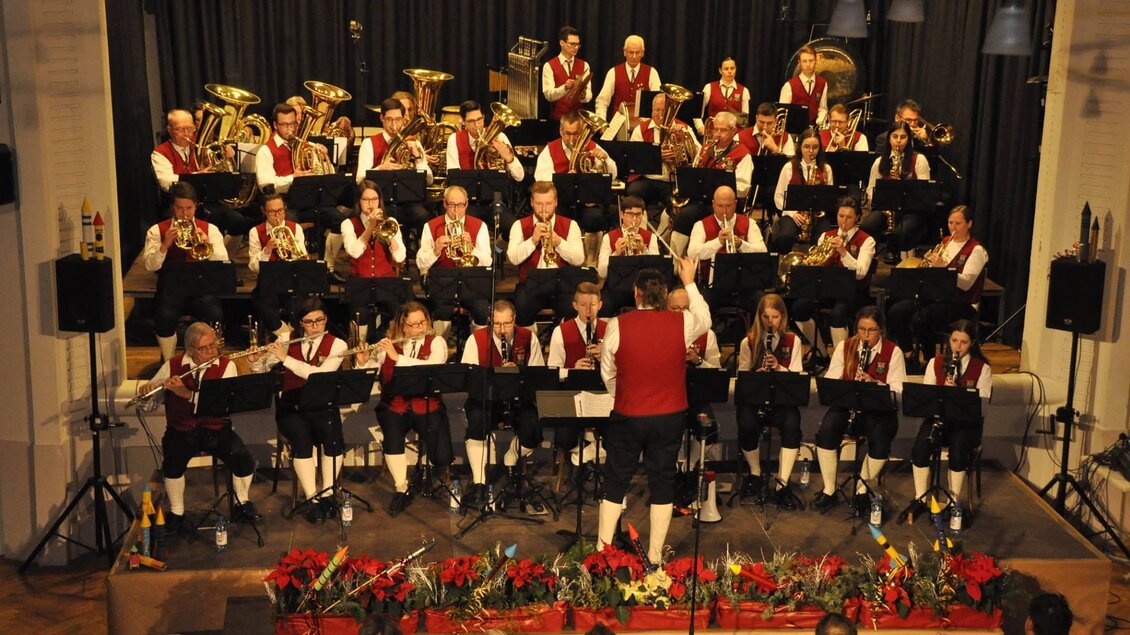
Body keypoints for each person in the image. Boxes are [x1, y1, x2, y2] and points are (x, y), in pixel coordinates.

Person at [597, 258, 710, 564]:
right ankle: (656, 557)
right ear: (663, 294)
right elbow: (705, 318)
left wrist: (624, 395)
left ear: (636, 293)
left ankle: (603, 556)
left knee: (616, 482)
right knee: (662, 482)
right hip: (669, 416)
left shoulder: (618, 324)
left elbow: (608, 371)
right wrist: (689, 281)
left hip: (629, 414)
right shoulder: (681, 322)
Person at [137, 322, 260, 532]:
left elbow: (219, 403)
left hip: (215, 427)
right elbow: (152, 404)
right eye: (204, 348)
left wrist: (185, 393)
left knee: (243, 459)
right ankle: (177, 512)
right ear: (190, 350)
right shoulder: (172, 365)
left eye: (214, 345)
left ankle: (242, 502)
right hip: (182, 429)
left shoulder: (226, 366)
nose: (211, 351)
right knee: (172, 463)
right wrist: (146, 394)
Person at [354, 301, 450, 518]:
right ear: (403, 326)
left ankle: (429, 470)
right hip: (395, 405)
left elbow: (434, 366)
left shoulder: (437, 342)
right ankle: (401, 488)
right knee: (392, 434)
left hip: (426, 405)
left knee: (441, 454)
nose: (420, 328)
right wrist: (363, 362)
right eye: (413, 324)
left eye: (422, 322)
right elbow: (370, 373)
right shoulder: (389, 346)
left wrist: (397, 358)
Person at [260, 298, 348, 523]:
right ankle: (312, 499)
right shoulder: (285, 340)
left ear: (326, 319)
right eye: (309, 322)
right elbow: (263, 368)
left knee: (332, 436)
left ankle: (327, 494)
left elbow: (318, 376)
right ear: (300, 322)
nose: (315, 326)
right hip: (292, 406)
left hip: (322, 405)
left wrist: (285, 359)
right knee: (301, 438)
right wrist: (255, 361)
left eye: (320, 320)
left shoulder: (338, 345)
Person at [812, 306, 906, 514]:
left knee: (880, 438)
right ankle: (829, 489)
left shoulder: (893, 352)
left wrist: (874, 383)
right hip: (848, 406)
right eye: (861, 329)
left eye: (871, 330)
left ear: (881, 330)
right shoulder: (845, 346)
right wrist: (848, 385)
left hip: (879, 410)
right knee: (826, 430)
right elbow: (831, 379)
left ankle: (862, 489)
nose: (865, 335)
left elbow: (899, 390)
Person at [459, 299, 547, 513]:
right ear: (490, 321)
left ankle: (511, 457)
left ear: (514, 320)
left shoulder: (528, 337)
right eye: (497, 324)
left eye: (506, 324)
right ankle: (479, 482)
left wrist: (518, 373)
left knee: (534, 426)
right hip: (486, 399)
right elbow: (468, 378)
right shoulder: (476, 339)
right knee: (476, 420)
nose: (501, 330)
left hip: (518, 399)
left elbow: (538, 375)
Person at [903, 320, 991, 523]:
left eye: (963, 342)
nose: (957, 347)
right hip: (939, 418)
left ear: (972, 343)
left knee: (959, 450)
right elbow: (927, 398)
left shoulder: (982, 368)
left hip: (965, 423)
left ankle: (953, 502)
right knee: (920, 447)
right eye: (954, 341)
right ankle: (920, 498)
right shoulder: (935, 362)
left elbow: (983, 408)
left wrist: (958, 393)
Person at [886, 205, 986, 371]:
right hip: (938, 297)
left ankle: (930, 361)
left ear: (969, 224)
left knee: (922, 317)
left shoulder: (976, 250)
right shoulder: (946, 242)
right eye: (950, 223)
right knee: (896, 311)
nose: (953, 227)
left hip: (962, 304)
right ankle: (909, 355)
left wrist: (944, 268)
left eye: (958, 223)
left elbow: (967, 284)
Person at [255, 103, 347, 278]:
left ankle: (327, 267)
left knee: (342, 222)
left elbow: (325, 173)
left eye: (293, 124)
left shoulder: (305, 144)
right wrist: (293, 178)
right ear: (275, 125)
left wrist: (322, 156)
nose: (290, 129)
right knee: (288, 227)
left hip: (310, 200)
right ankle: (291, 271)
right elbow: (265, 183)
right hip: (285, 205)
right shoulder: (266, 151)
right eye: (284, 125)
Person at [142, 181, 229, 362]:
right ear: (172, 208)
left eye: (189, 208)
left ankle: (212, 359)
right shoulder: (156, 231)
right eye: (179, 208)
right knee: (164, 316)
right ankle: (168, 361)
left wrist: (208, 244)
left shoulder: (210, 229)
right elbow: (150, 266)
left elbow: (223, 261)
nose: (185, 213)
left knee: (215, 314)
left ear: (195, 206)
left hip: (202, 288)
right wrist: (164, 245)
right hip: (171, 289)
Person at [734, 294, 804, 509]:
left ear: (783, 316)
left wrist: (779, 368)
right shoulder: (749, 341)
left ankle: (782, 482)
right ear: (759, 317)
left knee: (792, 424)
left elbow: (797, 375)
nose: (770, 322)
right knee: (746, 423)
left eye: (775, 317)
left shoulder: (793, 340)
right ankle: (755, 473)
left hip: (782, 401)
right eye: (766, 317)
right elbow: (742, 376)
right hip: (756, 400)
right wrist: (758, 375)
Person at [790, 195, 876, 356]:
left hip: (853, 292)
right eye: (841, 216)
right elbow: (817, 264)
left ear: (857, 218)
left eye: (849, 217)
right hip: (826, 289)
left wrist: (843, 252)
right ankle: (821, 354)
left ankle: (841, 359)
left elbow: (861, 273)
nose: (844, 221)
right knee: (799, 308)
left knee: (838, 315)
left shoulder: (867, 241)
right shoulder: (826, 236)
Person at [151, 108, 255, 237]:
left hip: (208, 201)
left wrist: (228, 159)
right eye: (180, 129)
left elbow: (223, 170)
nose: (186, 134)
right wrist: (198, 177)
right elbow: (166, 182)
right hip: (180, 206)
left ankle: (222, 249)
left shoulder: (202, 145)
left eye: (190, 129)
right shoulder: (160, 153)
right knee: (210, 226)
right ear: (169, 129)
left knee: (239, 222)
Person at [670, 111, 753, 256]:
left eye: (723, 130)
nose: (718, 134)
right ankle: (673, 258)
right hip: (700, 200)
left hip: (724, 206)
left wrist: (721, 188)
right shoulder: (705, 149)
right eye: (716, 130)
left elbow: (743, 189)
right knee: (668, 212)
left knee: (685, 216)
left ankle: (680, 259)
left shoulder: (743, 154)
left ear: (734, 131)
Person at [355, 98, 433, 245]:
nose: (394, 125)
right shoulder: (369, 143)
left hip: (407, 202)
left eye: (398, 119)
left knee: (423, 215)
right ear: (382, 118)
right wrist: (380, 168)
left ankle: (422, 255)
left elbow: (429, 179)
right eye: (389, 120)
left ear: (404, 119)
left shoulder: (414, 143)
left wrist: (417, 157)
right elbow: (359, 179)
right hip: (380, 203)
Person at [506, 182, 585, 326]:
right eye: (539, 203)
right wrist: (532, 240)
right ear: (531, 202)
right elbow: (513, 258)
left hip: (563, 285)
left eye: (548, 203)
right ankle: (530, 339)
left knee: (574, 308)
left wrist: (559, 242)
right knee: (521, 307)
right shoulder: (519, 225)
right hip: (531, 285)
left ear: (556, 202)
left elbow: (579, 259)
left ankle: (562, 337)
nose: (543, 209)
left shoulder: (571, 225)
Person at [341, 180, 407, 344]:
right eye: (366, 199)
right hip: (360, 282)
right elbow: (354, 252)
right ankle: (359, 352)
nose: (370, 204)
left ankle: (395, 349)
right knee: (360, 313)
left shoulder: (390, 222)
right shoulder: (349, 224)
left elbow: (400, 257)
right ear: (358, 201)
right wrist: (370, 227)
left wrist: (389, 237)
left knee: (398, 311)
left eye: (374, 199)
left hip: (386, 282)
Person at [417, 185, 494, 327]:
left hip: (471, 284)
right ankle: (440, 341)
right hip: (442, 284)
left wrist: (471, 249)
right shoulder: (431, 226)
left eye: (460, 205)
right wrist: (435, 250)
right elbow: (421, 263)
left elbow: (487, 262)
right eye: (452, 205)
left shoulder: (480, 226)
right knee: (441, 311)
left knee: (482, 311)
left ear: (467, 204)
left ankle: (476, 341)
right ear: (444, 204)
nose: (456, 210)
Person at [546, 282, 606, 459]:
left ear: (600, 305)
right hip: (572, 395)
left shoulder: (610, 329)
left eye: (592, 305)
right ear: (574, 306)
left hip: (602, 394)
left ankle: (584, 456)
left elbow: (621, 369)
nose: (588, 310)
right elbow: (553, 371)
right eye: (583, 305)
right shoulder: (560, 331)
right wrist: (572, 370)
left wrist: (606, 359)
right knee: (564, 438)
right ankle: (584, 453)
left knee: (619, 433)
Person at [533, 110, 618, 236]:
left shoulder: (592, 146)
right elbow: (540, 178)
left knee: (595, 219)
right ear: (561, 131)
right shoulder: (550, 149)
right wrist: (565, 178)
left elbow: (613, 175)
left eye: (575, 134)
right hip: (561, 201)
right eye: (568, 134)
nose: (572, 139)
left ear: (582, 132)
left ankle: (591, 249)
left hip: (587, 201)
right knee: (558, 222)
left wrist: (605, 159)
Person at [625, 92, 700, 228]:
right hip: (648, 179)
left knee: (683, 207)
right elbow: (634, 158)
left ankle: (666, 235)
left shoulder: (684, 128)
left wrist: (683, 139)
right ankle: (639, 232)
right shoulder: (640, 130)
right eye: (657, 110)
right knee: (633, 193)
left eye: (664, 111)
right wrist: (656, 157)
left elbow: (698, 155)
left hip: (674, 181)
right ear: (651, 111)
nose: (660, 114)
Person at [445, 100, 524, 229]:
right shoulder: (454, 139)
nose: (477, 125)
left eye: (479, 119)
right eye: (471, 121)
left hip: (495, 201)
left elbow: (520, 176)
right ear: (463, 122)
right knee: (463, 228)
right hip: (467, 204)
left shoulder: (500, 137)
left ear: (484, 117)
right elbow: (454, 176)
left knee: (513, 227)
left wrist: (509, 158)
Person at [862, 120, 931, 260]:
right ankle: (870, 256)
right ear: (889, 138)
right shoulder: (879, 161)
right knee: (867, 226)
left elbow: (925, 191)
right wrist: (876, 202)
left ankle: (894, 252)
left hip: (911, 211)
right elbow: (871, 188)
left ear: (909, 139)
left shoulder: (919, 159)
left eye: (903, 137)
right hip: (887, 210)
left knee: (902, 232)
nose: (898, 141)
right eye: (895, 136)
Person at [247, 193, 309, 343]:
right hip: (267, 284)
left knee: (300, 308)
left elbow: (302, 259)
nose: (277, 216)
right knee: (265, 308)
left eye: (280, 210)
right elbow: (254, 267)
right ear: (263, 211)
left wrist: (291, 248)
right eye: (272, 212)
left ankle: (289, 337)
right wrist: (267, 250)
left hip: (291, 282)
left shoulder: (295, 228)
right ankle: (288, 337)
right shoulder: (255, 232)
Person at [686, 185, 767, 291]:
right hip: (712, 286)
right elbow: (692, 253)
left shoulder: (749, 223)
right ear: (713, 204)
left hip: (745, 285)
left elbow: (762, 251)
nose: (724, 210)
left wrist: (741, 244)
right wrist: (718, 242)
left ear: (735, 204)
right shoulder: (700, 225)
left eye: (729, 206)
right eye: (720, 206)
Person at [772, 127, 835, 253]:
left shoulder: (826, 169)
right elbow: (778, 196)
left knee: (823, 238)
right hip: (794, 214)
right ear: (800, 147)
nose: (811, 151)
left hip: (817, 216)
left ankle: (815, 263)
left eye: (815, 147)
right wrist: (792, 213)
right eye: (806, 147)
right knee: (785, 236)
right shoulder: (789, 167)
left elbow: (829, 198)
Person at [596, 195, 660, 295]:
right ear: (622, 215)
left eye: (638, 215)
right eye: (630, 214)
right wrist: (616, 254)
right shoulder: (608, 237)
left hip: (644, 289)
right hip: (617, 288)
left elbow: (656, 271)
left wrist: (644, 250)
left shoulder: (651, 237)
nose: (634, 219)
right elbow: (602, 273)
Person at [594, 35, 662, 124]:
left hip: (642, 126)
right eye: (631, 52)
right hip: (618, 125)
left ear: (643, 53)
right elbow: (602, 101)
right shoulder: (613, 72)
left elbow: (659, 102)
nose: (634, 56)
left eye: (637, 53)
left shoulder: (652, 73)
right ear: (624, 52)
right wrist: (601, 124)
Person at [542, 26, 592, 119]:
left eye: (578, 44)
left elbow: (589, 96)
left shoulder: (585, 65)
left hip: (578, 119)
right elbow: (548, 95)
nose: (576, 47)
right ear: (562, 43)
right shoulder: (549, 65)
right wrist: (564, 88)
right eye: (572, 44)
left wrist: (583, 96)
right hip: (557, 119)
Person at [779, 45, 828, 126]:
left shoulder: (822, 83)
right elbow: (782, 114)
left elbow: (823, 108)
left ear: (815, 61)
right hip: (794, 130)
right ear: (799, 62)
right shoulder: (789, 86)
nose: (808, 64)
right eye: (804, 61)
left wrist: (820, 120)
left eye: (811, 60)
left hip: (814, 128)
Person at [700, 56, 749, 120]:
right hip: (713, 126)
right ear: (720, 71)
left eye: (732, 68)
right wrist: (700, 125)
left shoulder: (744, 90)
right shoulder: (709, 87)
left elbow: (745, 119)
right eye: (726, 69)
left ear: (736, 69)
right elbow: (699, 112)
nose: (729, 71)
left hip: (735, 126)